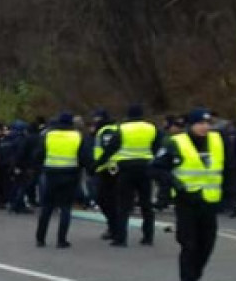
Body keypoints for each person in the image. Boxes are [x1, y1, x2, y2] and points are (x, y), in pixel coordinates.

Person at [150, 108, 233, 281]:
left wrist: (231, 197)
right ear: (191, 125)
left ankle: (193, 276)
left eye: (207, 123)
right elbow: (155, 168)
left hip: (209, 202)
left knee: (207, 246)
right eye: (200, 123)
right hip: (187, 202)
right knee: (190, 246)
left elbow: (230, 169)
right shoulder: (175, 143)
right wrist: (174, 184)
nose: (205, 127)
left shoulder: (217, 141)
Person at [98, 104, 162, 247]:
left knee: (124, 205)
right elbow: (158, 146)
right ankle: (148, 236)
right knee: (146, 204)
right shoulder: (151, 128)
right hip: (145, 167)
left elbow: (111, 148)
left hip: (126, 169)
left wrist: (98, 163)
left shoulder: (122, 129)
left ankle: (121, 238)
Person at [35, 113, 92, 248]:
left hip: (51, 174)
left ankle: (40, 238)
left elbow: (39, 154)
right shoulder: (77, 136)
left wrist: (40, 167)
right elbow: (84, 157)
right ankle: (61, 240)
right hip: (70, 174)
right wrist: (88, 168)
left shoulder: (48, 135)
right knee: (65, 208)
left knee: (47, 207)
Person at [91, 110, 120, 238]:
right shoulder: (115, 128)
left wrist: (96, 164)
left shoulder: (106, 131)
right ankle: (115, 227)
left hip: (107, 169)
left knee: (104, 200)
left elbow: (107, 149)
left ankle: (114, 228)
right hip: (114, 168)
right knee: (111, 200)